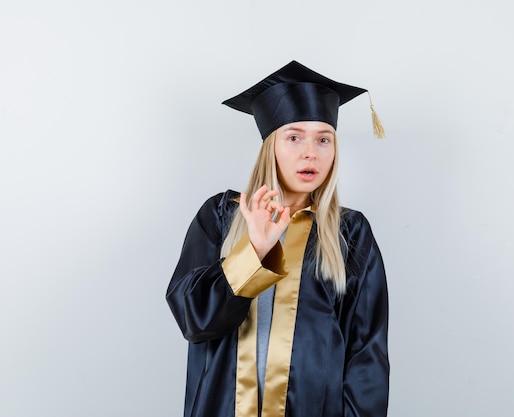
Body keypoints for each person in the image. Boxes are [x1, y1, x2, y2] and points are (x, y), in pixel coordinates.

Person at [166, 61, 389, 417]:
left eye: (323, 139)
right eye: (294, 137)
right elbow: (193, 319)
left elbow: (367, 356)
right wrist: (254, 249)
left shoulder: (350, 232)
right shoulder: (222, 216)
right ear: (271, 146)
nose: (310, 153)